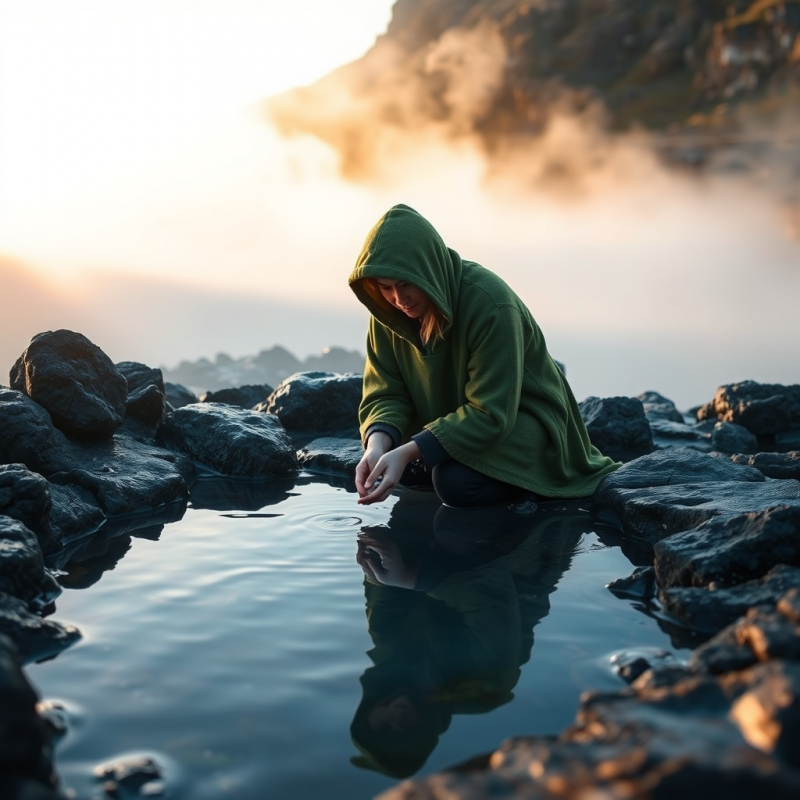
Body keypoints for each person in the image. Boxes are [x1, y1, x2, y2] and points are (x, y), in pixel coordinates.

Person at [349, 203, 619, 508]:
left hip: (523, 420)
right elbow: (385, 391)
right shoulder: (389, 315)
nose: (399, 299)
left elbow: (492, 412)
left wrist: (411, 450)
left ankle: (530, 490)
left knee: (453, 483)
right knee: (399, 466)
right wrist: (376, 447)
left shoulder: (491, 303)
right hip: (461, 420)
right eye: (385, 287)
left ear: (428, 268)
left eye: (406, 283)